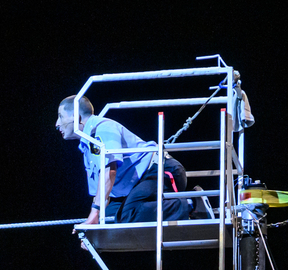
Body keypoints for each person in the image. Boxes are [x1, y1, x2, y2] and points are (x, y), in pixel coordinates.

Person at [56, 97, 205, 226]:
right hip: (138, 184)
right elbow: (103, 193)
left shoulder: (101, 128)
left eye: (60, 116)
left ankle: (193, 203)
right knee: (108, 218)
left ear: (76, 116)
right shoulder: (86, 145)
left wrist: (94, 215)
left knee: (128, 214)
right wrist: (93, 230)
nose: (57, 123)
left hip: (160, 170)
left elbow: (109, 171)